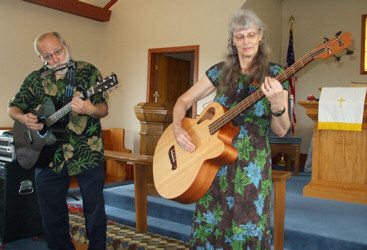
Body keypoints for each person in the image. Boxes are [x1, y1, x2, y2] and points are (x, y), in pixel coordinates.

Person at [172, 9, 290, 249]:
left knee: (248, 226)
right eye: (240, 36)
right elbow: (183, 101)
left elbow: (281, 130)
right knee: (212, 223)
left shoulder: (276, 75)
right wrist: (177, 127)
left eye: (251, 35)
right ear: (233, 40)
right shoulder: (219, 71)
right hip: (213, 162)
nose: (246, 41)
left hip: (251, 165)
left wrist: (278, 106)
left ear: (260, 36)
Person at [8, 32, 108, 250]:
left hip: (87, 151)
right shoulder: (34, 80)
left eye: (58, 52)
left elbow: (102, 109)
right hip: (48, 155)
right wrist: (23, 117)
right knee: (51, 216)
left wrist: (90, 109)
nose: (54, 59)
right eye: (47, 56)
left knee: (95, 211)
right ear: (40, 59)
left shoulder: (89, 72)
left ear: (66, 46)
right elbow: (13, 107)